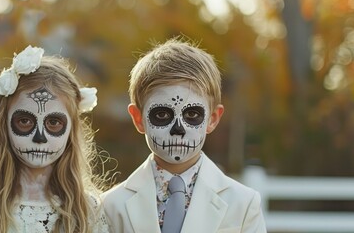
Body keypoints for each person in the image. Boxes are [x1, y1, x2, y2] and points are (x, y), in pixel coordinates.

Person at [101, 38, 266, 233]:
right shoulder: (111, 206)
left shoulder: (243, 204)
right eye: (162, 114)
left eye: (192, 114)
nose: (178, 129)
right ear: (138, 118)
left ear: (212, 119)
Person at [0, 46, 108, 233]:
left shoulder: (88, 210)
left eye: (53, 122)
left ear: (71, 129)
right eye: (25, 121)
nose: (39, 137)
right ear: (4, 126)